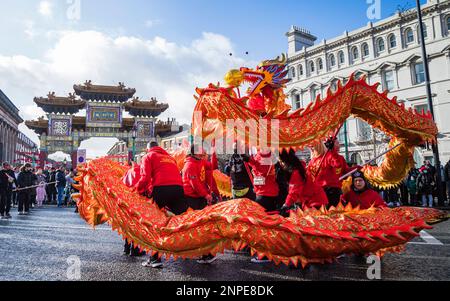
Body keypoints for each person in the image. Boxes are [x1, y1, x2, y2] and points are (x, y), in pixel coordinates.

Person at [134, 141, 187, 268]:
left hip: (161, 189)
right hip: (178, 189)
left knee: (154, 223)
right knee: (185, 220)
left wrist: (136, 190)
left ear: (148, 149)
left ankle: (154, 259)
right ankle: (202, 250)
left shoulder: (148, 156)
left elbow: (145, 177)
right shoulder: (170, 158)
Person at [278, 150, 328, 216]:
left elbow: (294, 192)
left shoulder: (295, 172)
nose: (281, 164)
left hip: (315, 202)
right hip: (314, 200)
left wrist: (286, 205)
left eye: (282, 162)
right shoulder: (299, 167)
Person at [307, 138, 352, 208]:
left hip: (331, 189)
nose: (312, 149)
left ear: (319, 146)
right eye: (310, 147)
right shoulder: (312, 161)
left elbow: (338, 165)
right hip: (318, 191)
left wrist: (332, 151)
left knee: (331, 212)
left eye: (313, 146)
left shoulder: (328, 156)